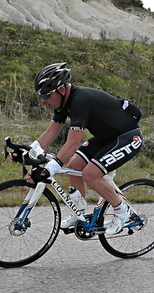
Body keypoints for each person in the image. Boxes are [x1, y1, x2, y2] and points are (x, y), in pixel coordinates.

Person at [14, 62, 143, 236]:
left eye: (45, 95)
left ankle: (121, 211)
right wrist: (28, 151)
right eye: (41, 95)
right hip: (107, 138)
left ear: (60, 90)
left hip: (128, 137)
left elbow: (72, 143)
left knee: (90, 174)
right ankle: (79, 212)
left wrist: (49, 169)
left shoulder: (80, 100)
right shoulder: (61, 104)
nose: (42, 100)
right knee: (74, 167)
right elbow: (51, 132)